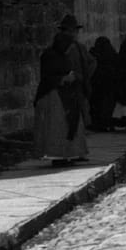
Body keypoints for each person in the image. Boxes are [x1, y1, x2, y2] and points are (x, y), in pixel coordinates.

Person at [34, 29, 87, 164]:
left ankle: (69, 154)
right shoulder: (49, 56)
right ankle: (57, 157)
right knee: (58, 126)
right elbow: (47, 77)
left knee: (71, 124)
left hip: (67, 95)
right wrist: (63, 79)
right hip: (53, 96)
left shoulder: (64, 56)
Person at [58, 13, 93, 126]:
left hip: (79, 85)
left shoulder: (80, 47)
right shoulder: (59, 48)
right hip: (66, 86)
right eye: (69, 31)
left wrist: (85, 75)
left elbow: (92, 62)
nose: (73, 34)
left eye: (74, 31)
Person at [88, 35, 119, 131]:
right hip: (110, 84)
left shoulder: (93, 53)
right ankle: (108, 123)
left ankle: (98, 124)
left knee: (97, 105)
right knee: (108, 105)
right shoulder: (112, 54)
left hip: (97, 84)